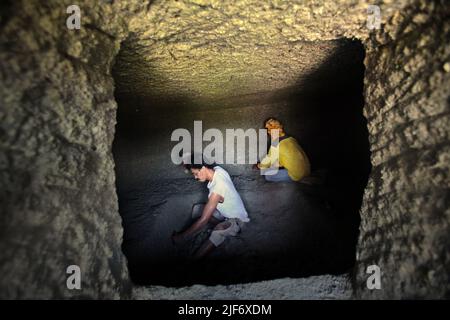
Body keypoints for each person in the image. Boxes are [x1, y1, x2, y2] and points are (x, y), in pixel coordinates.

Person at [172, 155, 250, 259]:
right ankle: (220, 226)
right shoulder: (218, 170)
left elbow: (204, 220)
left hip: (238, 221)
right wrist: (188, 164)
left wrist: (181, 237)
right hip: (227, 214)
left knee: (217, 231)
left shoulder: (217, 189)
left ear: (203, 168)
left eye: (196, 174)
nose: (195, 177)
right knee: (198, 209)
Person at [256, 117, 311, 182]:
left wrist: (259, 166)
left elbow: (268, 160)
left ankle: (296, 179)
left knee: (268, 176)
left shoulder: (276, 144)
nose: (268, 133)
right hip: (307, 171)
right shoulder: (291, 139)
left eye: (269, 130)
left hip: (297, 175)